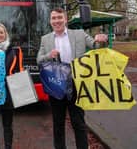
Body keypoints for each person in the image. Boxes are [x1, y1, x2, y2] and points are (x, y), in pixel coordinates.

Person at [36, 8, 108, 149]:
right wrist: (48, 55)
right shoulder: (45, 39)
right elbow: (39, 60)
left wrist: (101, 40)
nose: (56, 21)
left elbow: (95, 46)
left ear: (65, 19)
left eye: (59, 17)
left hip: (77, 84)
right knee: (58, 124)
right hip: (57, 85)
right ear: (50, 21)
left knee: (79, 123)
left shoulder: (79, 34)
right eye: (54, 18)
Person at [0, 23, 21, 149]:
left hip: (8, 93)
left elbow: (17, 70)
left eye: (1, 32)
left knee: (8, 126)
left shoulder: (12, 51)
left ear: (5, 34)